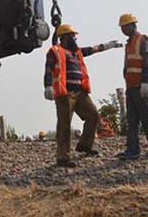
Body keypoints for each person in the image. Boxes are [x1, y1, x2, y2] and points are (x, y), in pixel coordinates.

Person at [43, 23, 123, 167]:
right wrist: (48, 85)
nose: (75, 38)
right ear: (64, 37)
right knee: (64, 125)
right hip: (65, 94)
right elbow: (48, 68)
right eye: (72, 36)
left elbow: (92, 49)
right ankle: (62, 157)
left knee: (93, 115)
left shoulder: (77, 52)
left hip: (80, 92)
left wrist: (109, 45)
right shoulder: (55, 51)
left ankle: (85, 145)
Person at [116, 13, 148, 160]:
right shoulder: (129, 44)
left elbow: (147, 61)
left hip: (141, 85)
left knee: (146, 116)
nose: (124, 29)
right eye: (122, 27)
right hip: (131, 86)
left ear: (133, 25)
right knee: (132, 119)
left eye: (126, 26)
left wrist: (146, 82)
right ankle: (133, 149)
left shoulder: (143, 40)